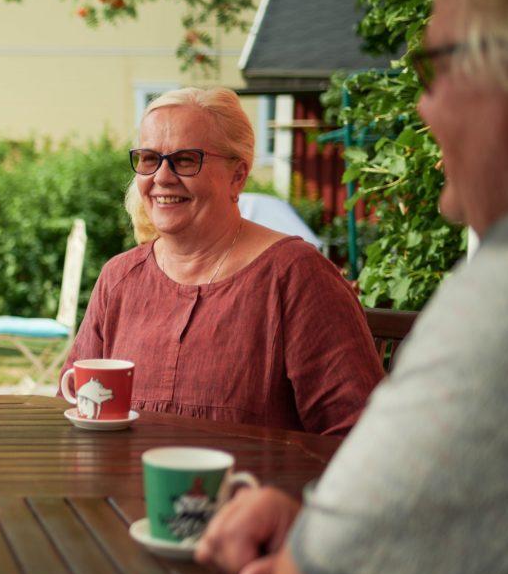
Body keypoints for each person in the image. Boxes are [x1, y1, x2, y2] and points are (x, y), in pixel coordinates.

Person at [195, 0, 508, 574]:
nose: (423, 107)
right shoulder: (123, 276)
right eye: (147, 158)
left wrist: (318, 560)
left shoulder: (498, 301)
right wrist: (325, 533)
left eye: (433, 63)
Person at [59, 87, 381, 435]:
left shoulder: (296, 276)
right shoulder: (120, 277)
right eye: (149, 159)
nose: (162, 177)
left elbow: (358, 437)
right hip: (123, 487)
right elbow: (75, 403)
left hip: (250, 490)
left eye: (185, 159)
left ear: (238, 175)